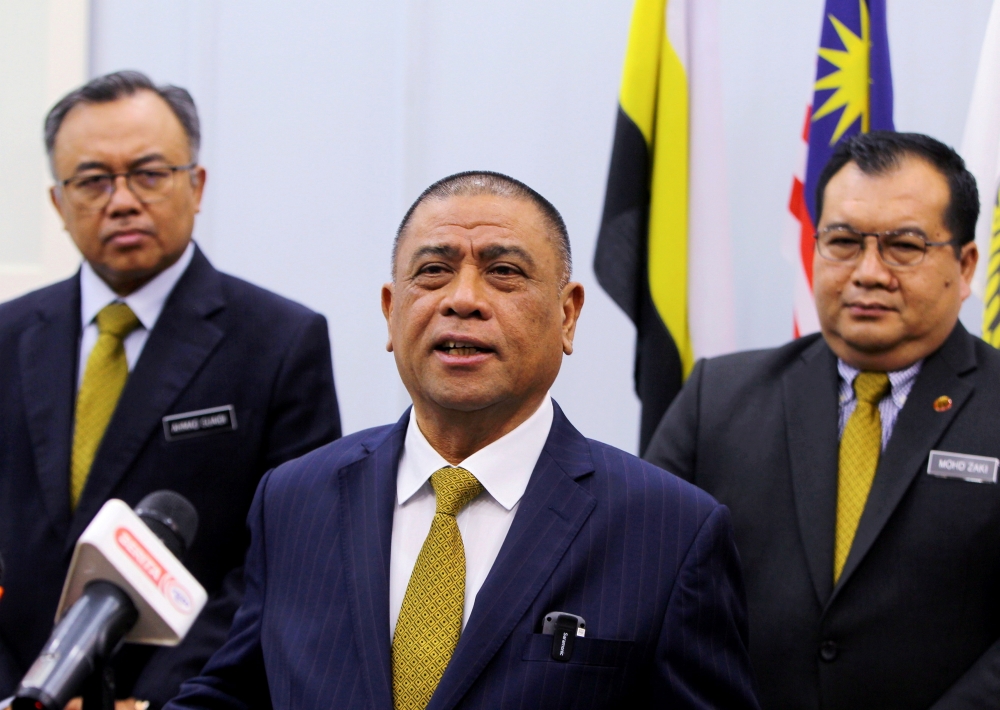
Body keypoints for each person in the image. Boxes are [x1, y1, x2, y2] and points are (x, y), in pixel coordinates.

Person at [164, 171, 759, 710]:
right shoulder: (295, 500)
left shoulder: (670, 532)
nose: (463, 299)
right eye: (433, 271)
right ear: (391, 313)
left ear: (569, 315)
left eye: (504, 272)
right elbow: (237, 694)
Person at [0, 71, 341, 709]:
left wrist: (161, 699)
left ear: (197, 184)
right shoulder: (7, 335)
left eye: (149, 174)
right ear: (57, 202)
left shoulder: (278, 341)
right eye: (93, 181)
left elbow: (290, 561)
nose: (122, 200)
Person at [644, 131, 1000, 709]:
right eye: (843, 241)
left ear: (964, 267)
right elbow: (642, 586)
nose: (868, 272)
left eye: (904, 247)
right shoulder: (719, 398)